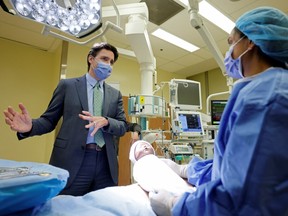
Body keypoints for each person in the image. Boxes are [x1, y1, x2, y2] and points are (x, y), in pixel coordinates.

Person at [149, 7, 288, 216]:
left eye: (231, 42)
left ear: (250, 43)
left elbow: (240, 197)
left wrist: (176, 205)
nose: (229, 50)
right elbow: (232, 168)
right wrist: (187, 170)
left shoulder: (267, 97)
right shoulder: (264, 88)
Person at [3, 42, 127, 196]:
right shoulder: (67, 86)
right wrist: (30, 127)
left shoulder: (115, 94)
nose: (108, 64)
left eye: (111, 62)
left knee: (103, 208)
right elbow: (48, 121)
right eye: (104, 59)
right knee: (65, 207)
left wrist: (106, 121)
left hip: (105, 163)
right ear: (91, 59)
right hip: (73, 160)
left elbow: (122, 126)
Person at [129, 140, 195, 196]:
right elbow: (145, 182)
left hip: (178, 187)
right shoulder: (138, 166)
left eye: (147, 145)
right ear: (134, 156)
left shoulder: (163, 161)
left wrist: (196, 170)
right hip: (163, 191)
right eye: (139, 146)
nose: (145, 146)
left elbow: (181, 170)